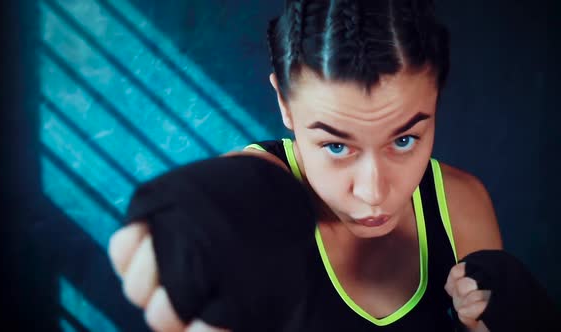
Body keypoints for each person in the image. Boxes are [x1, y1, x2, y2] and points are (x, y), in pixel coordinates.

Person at [107, 1, 554, 331]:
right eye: (337, 147)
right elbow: (244, 196)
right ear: (284, 104)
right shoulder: (256, 199)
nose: (374, 192)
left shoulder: (461, 206)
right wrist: (204, 223)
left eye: (404, 139)